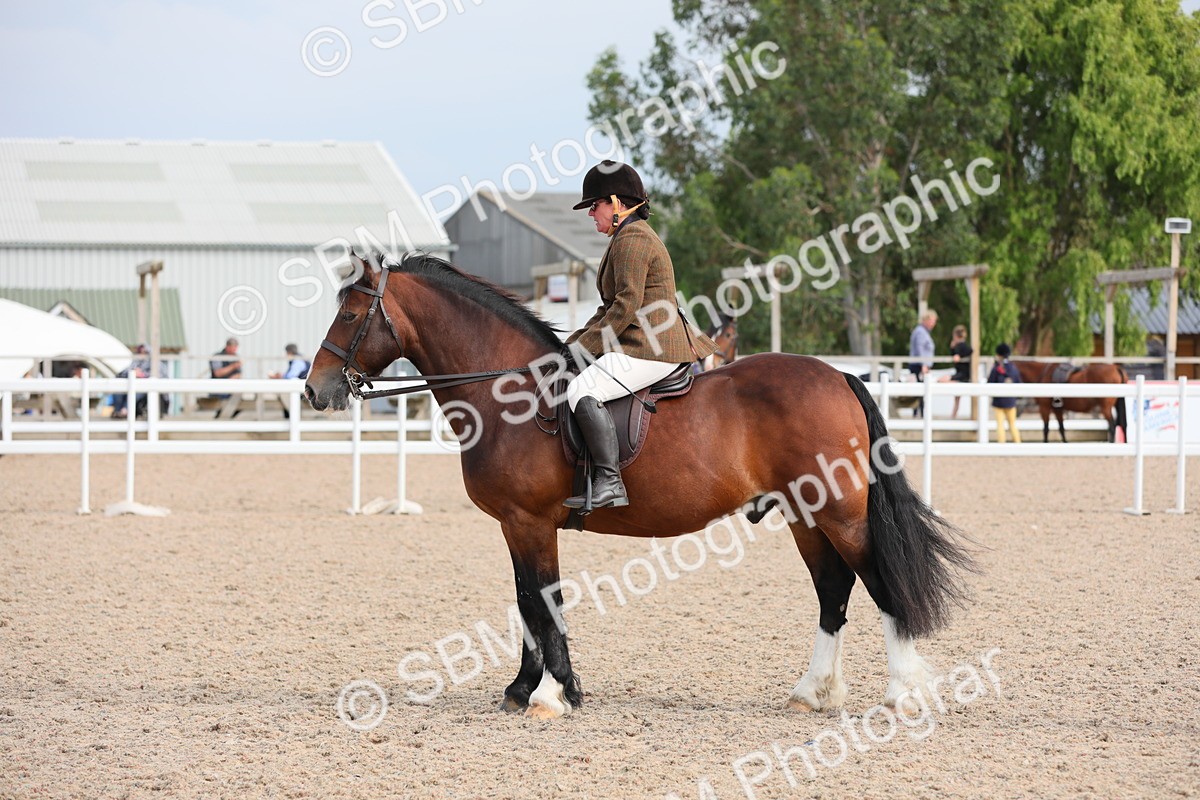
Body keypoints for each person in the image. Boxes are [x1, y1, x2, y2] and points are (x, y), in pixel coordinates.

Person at [561, 160, 719, 510]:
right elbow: (608, 310)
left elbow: (625, 306)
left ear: (616, 203)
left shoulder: (632, 239)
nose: (591, 214)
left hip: (653, 347)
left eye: (595, 205)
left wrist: (584, 350)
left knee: (582, 389)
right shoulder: (625, 237)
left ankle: (610, 481)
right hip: (640, 342)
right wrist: (571, 346)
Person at [111, 344, 169, 419]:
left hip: (146, 388)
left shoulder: (157, 364)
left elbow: (159, 376)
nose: (142, 354)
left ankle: (125, 410)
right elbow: (123, 372)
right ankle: (118, 410)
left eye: (144, 352)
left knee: (136, 392)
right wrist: (133, 372)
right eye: (140, 352)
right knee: (119, 391)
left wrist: (142, 375)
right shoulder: (135, 363)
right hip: (132, 385)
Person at [988, 343, 1022, 443]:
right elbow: (1018, 382)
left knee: (1000, 425)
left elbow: (990, 382)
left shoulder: (996, 368)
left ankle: (1001, 444)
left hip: (999, 402)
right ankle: (1018, 443)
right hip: (1011, 401)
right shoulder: (1013, 368)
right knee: (1012, 424)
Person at [908, 309, 938, 418]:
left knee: (920, 390)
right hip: (918, 366)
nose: (933, 323)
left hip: (920, 365)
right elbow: (919, 349)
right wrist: (923, 364)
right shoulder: (921, 332)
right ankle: (921, 414)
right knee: (920, 390)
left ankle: (919, 413)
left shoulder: (923, 331)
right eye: (932, 320)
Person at [943, 324, 973, 419]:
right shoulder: (960, 346)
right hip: (960, 374)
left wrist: (958, 354)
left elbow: (968, 351)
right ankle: (954, 414)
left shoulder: (962, 346)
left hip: (963, 375)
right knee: (957, 396)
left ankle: (953, 414)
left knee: (942, 381)